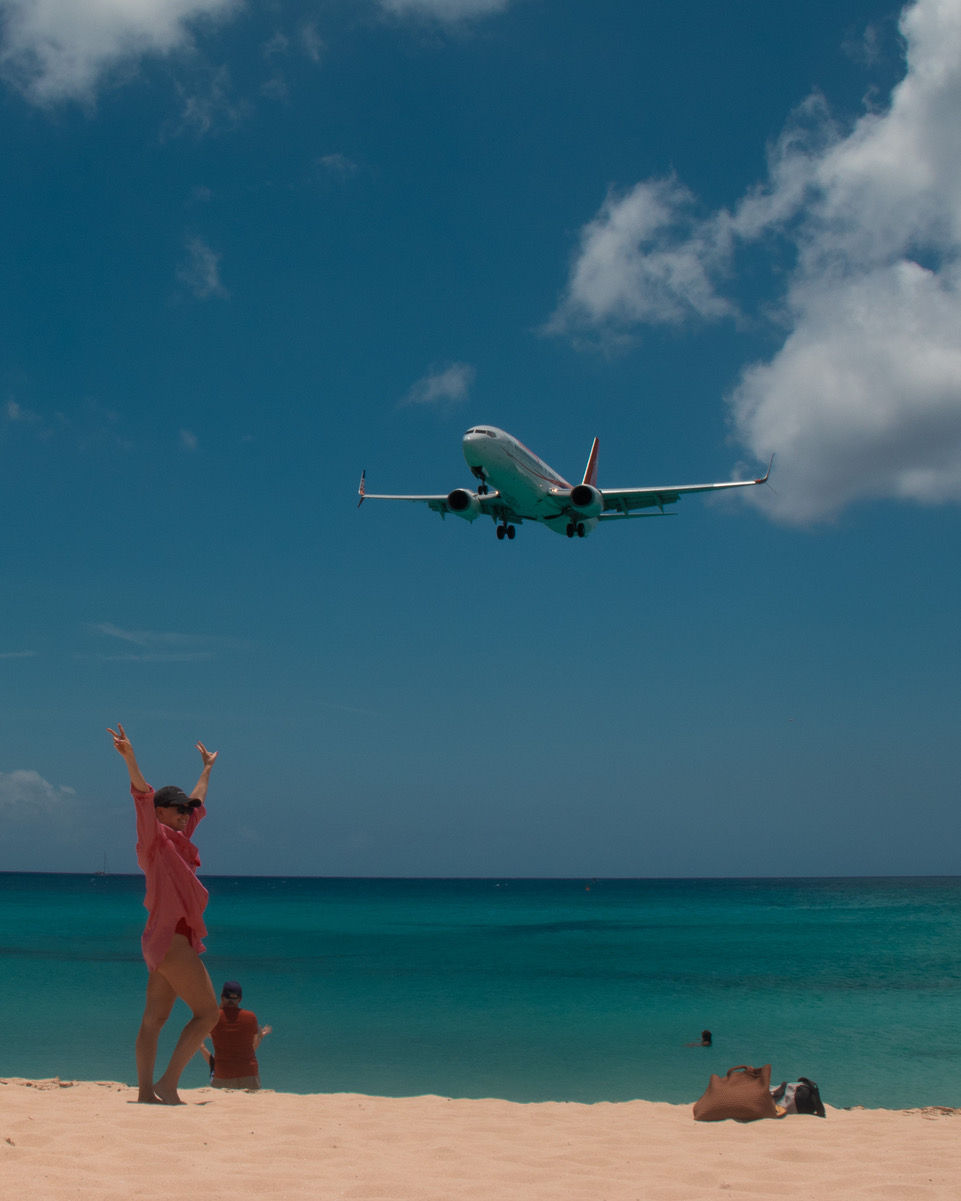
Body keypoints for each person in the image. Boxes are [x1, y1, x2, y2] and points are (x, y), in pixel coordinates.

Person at [108, 723, 221, 1104]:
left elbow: (198, 802)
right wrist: (130, 759)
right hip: (170, 942)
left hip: (160, 941)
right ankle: (167, 1084)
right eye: (178, 811)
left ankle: (144, 1093)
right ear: (160, 812)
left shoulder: (180, 840)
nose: (186, 815)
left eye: (186, 812)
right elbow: (142, 795)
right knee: (208, 1014)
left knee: (154, 1020)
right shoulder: (153, 839)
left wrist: (207, 768)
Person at [199, 980, 272, 1090]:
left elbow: (206, 1034)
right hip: (248, 1073)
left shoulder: (214, 1017)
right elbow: (252, 1044)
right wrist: (260, 1037)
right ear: (240, 999)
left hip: (223, 1074)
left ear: (222, 997)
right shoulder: (250, 1017)